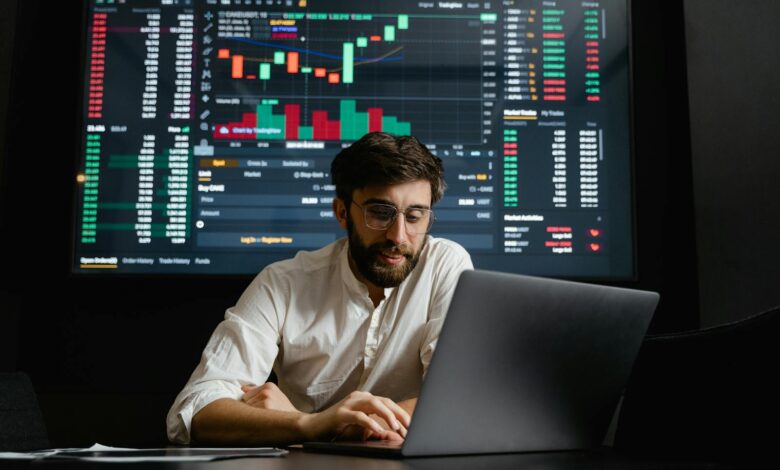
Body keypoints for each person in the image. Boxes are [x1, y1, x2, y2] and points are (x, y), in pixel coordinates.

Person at [166, 132, 473, 446]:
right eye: (380, 213)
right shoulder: (281, 283)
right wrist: (308, 425)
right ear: (342, 212)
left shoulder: (445, 265)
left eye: (414, 216)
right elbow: (194, 411)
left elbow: (459, 397)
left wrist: (330, 427)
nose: (399, 235)